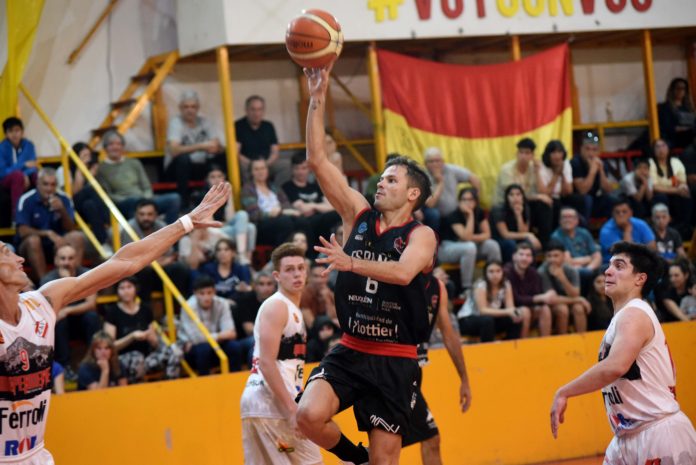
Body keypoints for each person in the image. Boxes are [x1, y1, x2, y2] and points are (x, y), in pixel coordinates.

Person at [0, 180, 229, 462]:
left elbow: (125, 262)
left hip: (37, 454)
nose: (20, 258)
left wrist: (186, 222)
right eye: (6, 253)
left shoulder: (42, 302)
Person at [295, 64, 438, 465]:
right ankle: (354, 458)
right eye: (381, 178)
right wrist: (317, 97)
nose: (380, 183)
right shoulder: (357, 214)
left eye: (391, 180)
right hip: (352, 348)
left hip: (395, 357)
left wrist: (351, 262)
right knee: (307, 415)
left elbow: (404, 273)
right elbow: (317, 161)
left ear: (412, 194)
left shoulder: (421, 235)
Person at [550, 241, 696, 464]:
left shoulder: (634, 314)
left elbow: (615, 366)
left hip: (658, 432)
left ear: (640, 278)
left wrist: (564, 391)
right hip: (627, 436)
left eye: (619, 266)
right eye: (609, 265)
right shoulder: (624, 316)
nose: (608, 271)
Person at [240, 243, 323, 465]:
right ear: (277, 275)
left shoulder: (292, 309)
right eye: (289, 269)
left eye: (300, 268)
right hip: (270, 405)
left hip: (265, 405)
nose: (296, 274)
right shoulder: (277, 306)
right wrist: (291, 409)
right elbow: (266, 363)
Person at [401, 273, 471, 465]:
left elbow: (448, 333)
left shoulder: (437, 287)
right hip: (395, 372)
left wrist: (464, 379)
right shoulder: (396, 277)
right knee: (429, 436)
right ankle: (357, 458)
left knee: (392, 443)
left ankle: (357, 458)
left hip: (413, 372)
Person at [103, 276, 183, 383]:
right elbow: (109, 346)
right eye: (122, 288)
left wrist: (152, 338)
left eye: (129, 287)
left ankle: (171, 384)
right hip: (122, 360)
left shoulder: (145, 310)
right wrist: (131, 337)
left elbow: (155, 344)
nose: (126, 291)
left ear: (135, 289)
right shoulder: (112, 312)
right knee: (137, 356)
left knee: (175, 350)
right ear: (117, 291)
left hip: (146, 360)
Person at [38, 244, 100, 380]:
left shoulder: (87, 274)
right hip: (61, 324)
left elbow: (91, 304)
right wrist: (63, 283)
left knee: (92, 317)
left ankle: (95, 360)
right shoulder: (48, 280)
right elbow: (51, 309)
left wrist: (67, 310)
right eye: (63, 258)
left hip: (80, 320)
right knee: (59, 320)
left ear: (77, 259)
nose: (66, 262)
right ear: (56, 260)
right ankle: (64, 366)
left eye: (70, 258)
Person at [15, 167, 85, 281]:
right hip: (30, 248)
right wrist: (47, 233)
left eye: (53, 185)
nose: (49, 188)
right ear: (37, 183)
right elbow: (22, 231)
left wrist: (62, 210)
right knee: (33, 241)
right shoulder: (26, 199)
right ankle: (45, 283)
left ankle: (75, 281)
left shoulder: (64, 198)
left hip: (58, 245)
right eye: (45, 184)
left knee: (77, 237)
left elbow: (71, 229)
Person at [96, 130, 181, 223]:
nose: (115, 147)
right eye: (111, 144)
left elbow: (146, 186)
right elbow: (107, 195)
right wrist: (129, 199)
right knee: (134, 202)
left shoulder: (134, 163)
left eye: (118, 144)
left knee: (174, 198)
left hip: (143, 199)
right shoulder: (101, 169)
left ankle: (170, 231)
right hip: (123, 204)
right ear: (105, 148)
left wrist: (146, 200)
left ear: (123, 146)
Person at [119, 199, 190, 304]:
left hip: (157, 270)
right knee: (144, 271)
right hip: (137, 273)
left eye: (149, 214)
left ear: (156, 215)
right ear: (136, 215)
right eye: (142, 214)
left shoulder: (162, 226)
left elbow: (169, 256)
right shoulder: (128, 229)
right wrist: (158, 261)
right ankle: (145, 309)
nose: (145, 218)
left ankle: (176, 309)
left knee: (179, 268)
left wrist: (150, 260)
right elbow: (133, 260)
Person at [165, 90, 226, 207]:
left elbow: (216, 145)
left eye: (193, 107)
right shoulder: (176, 123)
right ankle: (183, 204)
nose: (190, 110)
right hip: (175, 170)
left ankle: (222, 199)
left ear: (198, 108)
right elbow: (174, 150)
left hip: (199, 167)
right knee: (183, 159)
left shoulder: (205, 122)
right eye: (186, 107)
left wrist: (216, 148)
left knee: (222, 156)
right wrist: (202, 146)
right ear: (180, 108)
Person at [437, 187, 501, 294]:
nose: (467, 202)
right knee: (469, 247)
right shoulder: (453, 215)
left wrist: (471, 237)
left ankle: (494, 283)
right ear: (459, 201)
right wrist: (470, 215)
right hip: (448, 248)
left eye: (470, 199)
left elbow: (487, 234)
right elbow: (466, 237)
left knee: (492, 245)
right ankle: (466, 288)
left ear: (475, 201)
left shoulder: (479, 212)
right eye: (464, 199)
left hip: (469, 247)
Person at [178, 275, 243, 374]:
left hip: (214, 345)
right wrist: (221, 335)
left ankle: (236, 380)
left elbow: (231, 333)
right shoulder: (188, 306)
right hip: (192, 350)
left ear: (214, 292)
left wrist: (211, 337)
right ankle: (204, 382)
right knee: (204, 349)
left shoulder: (222, 303)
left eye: (209, 293)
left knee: (234, 346)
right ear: (195, 293)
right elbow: (196, 339)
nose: (206, 297)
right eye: (202, 293)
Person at [494, 138, 553, 244]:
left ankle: (544, 244)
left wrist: (538, 172)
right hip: (505, 205)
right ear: (516, 154)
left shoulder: (533, 167)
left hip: (524, 203)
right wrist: (538, 196)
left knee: (545, 205)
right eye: (521, 152)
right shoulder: (507, 170)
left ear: (532, 155)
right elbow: (513, 196)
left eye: (527, 153)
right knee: (538, 200)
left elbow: (542, 191)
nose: (523, 156)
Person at [282, 151, 341, 256]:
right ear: (292, 169)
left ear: (309, 169)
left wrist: (313, 206)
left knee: (336, 214)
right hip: (304, 220)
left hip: (320, 218)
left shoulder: (315, 186)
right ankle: (312, 258)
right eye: (297, 168)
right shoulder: (288, 187)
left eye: (303, 168)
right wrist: (319, 206)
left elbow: (331, 206)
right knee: (307, 222)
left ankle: (338, 251)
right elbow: (302, 209)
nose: (300, 172)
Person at [457, 260, 529, 342]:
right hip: (468, 320)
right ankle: (487, 348)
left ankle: (511, 345)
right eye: (491, 272)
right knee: (487, 321)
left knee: (515, 319)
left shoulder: (506, 284)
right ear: (485, 273)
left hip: (490, 319)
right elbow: (483, 311)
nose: (495, 275)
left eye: (498, 271)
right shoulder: (481, 285)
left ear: (502, 272)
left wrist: (515, 313)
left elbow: (510, 307)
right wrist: (508, 311)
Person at [242, 158, 302, 247]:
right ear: (251, 172)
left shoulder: (274, 187)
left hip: (281, 217)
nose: (260, 172)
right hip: (261, 224)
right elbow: (254, 214)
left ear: (267, 170)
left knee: (301, 221)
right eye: (256, 169)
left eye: (263, 168)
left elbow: (287, 205)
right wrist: (272, 213)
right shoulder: (248, 189)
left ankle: (309, 254)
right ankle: (281, 253)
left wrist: (281, 212)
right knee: (285, 222)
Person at [537, 240, 592, 334]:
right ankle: (562, 340)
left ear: (563, 256)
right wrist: (579, 299)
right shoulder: (542, 271)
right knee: (562, 309)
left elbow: (575, 294)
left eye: (556, 256)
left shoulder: (571, 270)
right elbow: (551, 299)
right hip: (549, 305)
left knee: (578, 308)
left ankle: (582, 340)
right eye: (549, 256)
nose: (552, 259)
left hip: (568, 300)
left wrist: (562, 278)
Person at [422, 146, 481, 231]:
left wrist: (474, 200)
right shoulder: (422, 176)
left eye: (437, 161)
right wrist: (440, 183)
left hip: (453, 213)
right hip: (434, 217)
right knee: (433, 214)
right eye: (431, 161)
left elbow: (475, 179)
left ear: (443, 162)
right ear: (425, 163)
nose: (435, 164)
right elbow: (430, 204)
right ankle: (433, 238)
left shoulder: (451, 169)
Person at [504, 242, 555, 338]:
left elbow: (537, 295)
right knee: (525, 311)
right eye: (521, 254)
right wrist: (540, 298)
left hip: (528, 307)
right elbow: (516, 299)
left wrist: (548, 296)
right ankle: (523, 344)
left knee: (545, 309)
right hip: (508, 311)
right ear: (514, 257)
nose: (524, 258)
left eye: (528, 255)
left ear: (531, 259)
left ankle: (546, 343)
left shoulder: (533, 273)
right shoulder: (506, 272)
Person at [550, 206, 601, 292]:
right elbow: (567, 261)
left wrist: (589, 268)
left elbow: (597, 256)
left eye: (570, 217)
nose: (567, 220)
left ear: (577, 220)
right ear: (560, 220)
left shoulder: (584, 233)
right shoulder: (556, 237)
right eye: (564, 217)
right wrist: (588, 259)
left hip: (589, 267)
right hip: (569, 270)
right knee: (584, 274)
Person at [649, 138, 693, 238]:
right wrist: (677, 190)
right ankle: (665, 228)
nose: (661, 149)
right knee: (662, 197)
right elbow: (655, 187)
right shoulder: (651, 163)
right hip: (658, 194)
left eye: (663, 146)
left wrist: (682, 187)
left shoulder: (675, 162)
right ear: (653, 150)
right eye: (657, 147)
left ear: (668, 148)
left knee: (688, 194)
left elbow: (682, 181)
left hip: (675, 192)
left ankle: (685, 227)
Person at [571, 132, 617, 220]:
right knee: (587, 199)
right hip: (576, 201)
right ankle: (585, 228)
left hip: (593, 199)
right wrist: (592, 171)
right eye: (587, 149)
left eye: (594, 150)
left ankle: (611, 227)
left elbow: (608, 190)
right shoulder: (575, 162)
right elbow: (582, 191)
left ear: (598, 151)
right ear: (581, 149)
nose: (591, 153)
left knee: (612, 199)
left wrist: (601, 171)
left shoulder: (601, 163)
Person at [537, 139, 584, 226]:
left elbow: (568, 191)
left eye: (559, 152)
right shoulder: (542, 166)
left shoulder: (565, 164)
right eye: (553, 153)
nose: (557, 156)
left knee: (583, 200)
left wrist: (562, 174)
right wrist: (556, 175)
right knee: (552, 204)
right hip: (548, 198)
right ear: (548, 154)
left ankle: (582, 227)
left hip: (561, 197)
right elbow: (545, 193)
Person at [491, 184, 542, 263]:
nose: (515, 197)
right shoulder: (498, 209)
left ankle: (530, 268)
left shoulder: (525, 208)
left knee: (529, 244)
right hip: (499, 239)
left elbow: (523, 232)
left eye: (518, 194)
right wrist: (529, 235)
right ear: (507, 197)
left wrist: (519, 215)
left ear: (522, 196)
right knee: (511, 244)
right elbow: (505, 234)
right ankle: (510, 268)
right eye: (511, 195)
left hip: (516, 237)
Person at [234, 271, 277, 366]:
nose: (265, 288)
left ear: (274, 286)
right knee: (256, 344)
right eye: (261, 284)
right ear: (255, 286)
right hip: (247, 339)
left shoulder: (278, 301)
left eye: (269, 284)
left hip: (271, 337)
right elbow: (249, 329)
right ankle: (255, 373)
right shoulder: (246, 300)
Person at [235, 95, 281, 180]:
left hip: (267, 163)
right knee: (240, 167)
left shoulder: (268, 126)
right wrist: (253, 165)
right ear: (246, 110)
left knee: (285, 166)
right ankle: (250, 188)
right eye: (253, 109)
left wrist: (265, 164)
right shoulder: (238, 126)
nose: (257, 113)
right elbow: (236, 153)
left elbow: (275, 151)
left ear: (263, 111)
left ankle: (274, 188)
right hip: (247, 164)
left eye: (260, 109)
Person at [0, 117, 37, 218]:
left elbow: (32, 165)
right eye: (10, 131)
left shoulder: (29, 145)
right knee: (17, 176)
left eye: (17, 130)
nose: (14, 134)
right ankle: (17, 217)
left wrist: (24, 174)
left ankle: (45, 211)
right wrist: (23, 166)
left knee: (38, 176)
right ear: (6, 134)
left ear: (22, 132)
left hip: (25, 176)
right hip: (5, 180)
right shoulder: (1, 148)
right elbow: (2, 172)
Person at [599, 198, 656, 263]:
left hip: (640, 262)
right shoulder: (606, 231)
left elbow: (653, 247)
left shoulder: (640, 224)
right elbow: (625, 254)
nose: (621, 215)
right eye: (617, 212)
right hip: (613, 264)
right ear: (613, 214)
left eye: (624, 211)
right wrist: (627, 230)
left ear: (631, 213)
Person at [199, 238, 252, 305]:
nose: (222, 253)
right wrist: (225, 301)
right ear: (216, 253)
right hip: (213, 305)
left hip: (235, 305)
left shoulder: (241, 269)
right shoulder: (208, 269)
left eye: (226, 249)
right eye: (219, 250)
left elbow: (247, 289)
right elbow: (203, 290)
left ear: (233, 253)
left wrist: (243, 288)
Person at [657, 77, 696, 149]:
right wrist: (684, 129)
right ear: (672, 90)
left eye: (683, 88)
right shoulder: (664, 108)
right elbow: (667, 127)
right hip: (674, 138)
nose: (680, 91)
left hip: (690, 137)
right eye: (678, 88)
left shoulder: (689, 109)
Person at [655, 258, 694, 323]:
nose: (672, 279)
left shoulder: (692, 289)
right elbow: (683, 318)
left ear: (686, 275)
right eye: (670, 276)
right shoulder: (665, 291)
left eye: (676, 275)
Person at [300, 263, 338, 329]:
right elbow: (311, 324)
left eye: (323, 276)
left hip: (326, 330)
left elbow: (335, 318)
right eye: (316, 276)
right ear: (309, 277)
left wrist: (327, 300)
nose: (319, 280)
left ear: (328, 277)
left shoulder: (330, 293)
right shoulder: (304, 294)